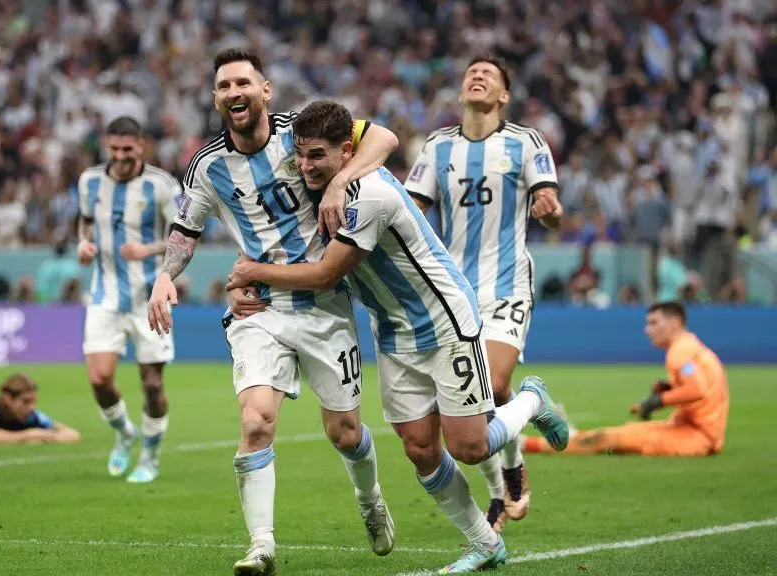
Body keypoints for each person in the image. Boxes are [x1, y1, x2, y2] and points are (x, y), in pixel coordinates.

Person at [225, 100, 570, 574]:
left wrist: (248, 271)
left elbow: (326, 275)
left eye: (318, 156)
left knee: (467, 447)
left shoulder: (370, 196)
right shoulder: (320, 185)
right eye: (300, 154)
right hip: (392, 332)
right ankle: (485, 542)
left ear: (346, 152)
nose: (306, 166)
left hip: (443, 320)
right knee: (419, 448)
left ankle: (532, 401)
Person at [147, 48, 401, 575]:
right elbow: (185, 233)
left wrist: (336, 182)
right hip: (258, 307)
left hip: (325, 304)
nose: (234, 93)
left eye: (243, 82)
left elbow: (383, 137)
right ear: (216, 99)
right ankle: (261, 546)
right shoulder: (207, 166)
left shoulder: (299, 134)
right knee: (256, 422)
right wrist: (163, 277)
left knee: (344, 434)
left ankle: (371, 501)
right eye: (223, 86)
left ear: (264, 91)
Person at [402, 54, 564, 530]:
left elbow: (552, 212)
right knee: (471, 404)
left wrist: (548, 207)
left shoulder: (525, 142)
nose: (477, 75)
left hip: (507, 282)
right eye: (471, 71)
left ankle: (528, 414)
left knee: (491, 387)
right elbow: (411, 212)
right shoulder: (437, 147)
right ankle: (504, 482)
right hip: (453, 291)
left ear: (504, 95)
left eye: (488, 74)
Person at [76, 117, 182, 483]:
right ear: (107, 145)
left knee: (152, 384)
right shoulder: (89, 181)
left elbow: (184, 236)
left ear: (141, 146)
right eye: (114, 149)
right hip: (104, 295)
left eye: (128, 149)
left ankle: (150, 455)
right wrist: (83, 245)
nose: (120, 157)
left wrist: (148, 248)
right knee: (100, 380)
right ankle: (124, 432)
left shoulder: (162, 185)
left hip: (148, 297)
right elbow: (86, 221)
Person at [525, 302, 728, 457]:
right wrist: (669, 389)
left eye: (654, 323)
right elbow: (702, 385)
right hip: (693, 429)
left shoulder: (679, 352)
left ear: (675, 324)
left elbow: (698, 389)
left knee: (608, 439)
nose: (647, 330)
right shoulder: (692, 345)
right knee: (624, 431)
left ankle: (525, 444)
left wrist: (657, 401)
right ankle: (565, 435)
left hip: (695, 437)